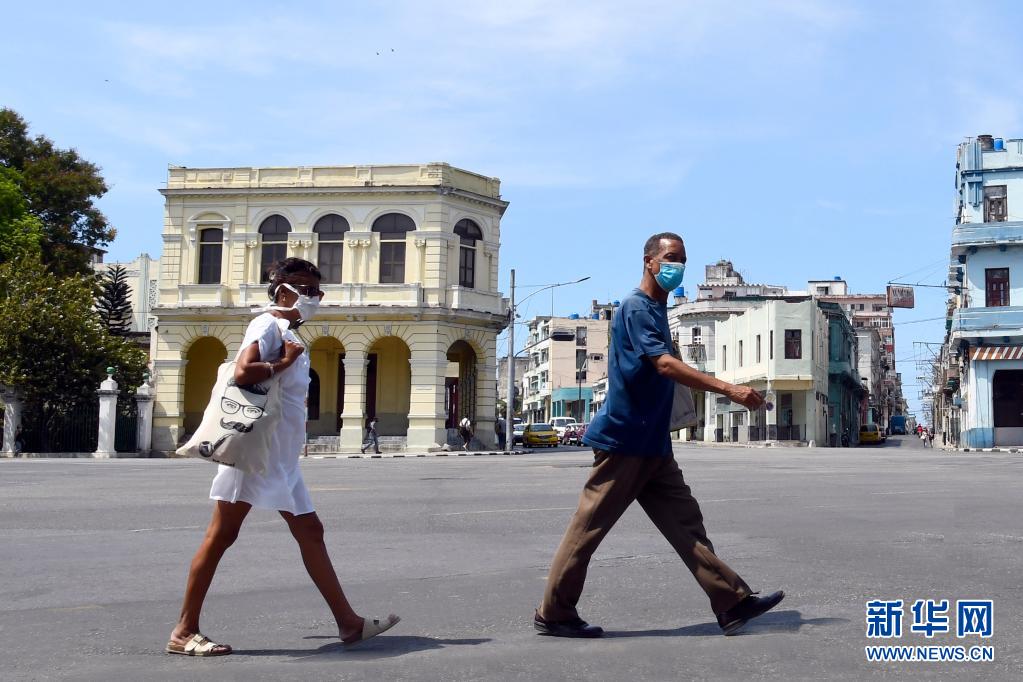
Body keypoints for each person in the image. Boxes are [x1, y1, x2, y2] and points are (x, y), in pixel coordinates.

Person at [534, 233, 784, 639]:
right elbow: (664, 365)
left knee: (686, 523)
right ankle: (554, 613)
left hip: (652, 442)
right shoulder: (636, 306)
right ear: (649, 262)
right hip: (625, 440)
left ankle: (731, 602)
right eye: (670, 258)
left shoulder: (656, 309)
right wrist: (728, 389)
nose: (677, 266)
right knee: (587, 530)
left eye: (682, 260)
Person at [167, 258, 398, 657]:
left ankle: (348, 623)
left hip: (280, 459)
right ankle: (184, 631)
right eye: (306, 290)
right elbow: (244, 372)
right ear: (283, 291)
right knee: (221, 535)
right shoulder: (267, 325)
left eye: (317, 291)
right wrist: (284, 362)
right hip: (257, 455)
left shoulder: (286, 330)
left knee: (311, 532)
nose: (314, 298)